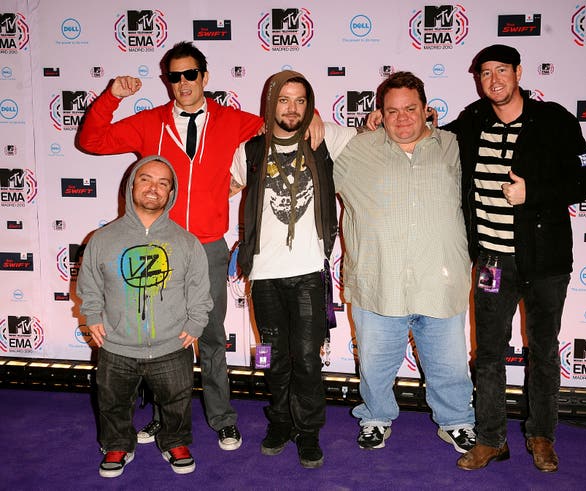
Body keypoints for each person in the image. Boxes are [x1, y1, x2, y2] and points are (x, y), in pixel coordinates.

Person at [78, 41, 321, 450]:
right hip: (156, 247)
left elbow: (282, 118)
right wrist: (110, 98)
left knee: (209, 337)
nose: (183, 82)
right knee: (156, 339)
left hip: (207, 248)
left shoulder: (234, 121)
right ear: (167, 81)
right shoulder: (149, 122)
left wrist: (312, 114)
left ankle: (222, 417)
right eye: (174, 76)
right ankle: (161, 417)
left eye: (190, 74)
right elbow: (92, 140)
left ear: (204, 78)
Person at [444, 45, 586, 472]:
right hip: (492, 261)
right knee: (489, 353)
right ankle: (491, 439)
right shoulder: (473, 121)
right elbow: (431, 135)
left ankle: (542, 436)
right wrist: (383, 118)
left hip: (546, 262)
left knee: (544, 350)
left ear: (518, 73)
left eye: (502, 71)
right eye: (485, 73)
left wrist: (534, 195)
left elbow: (585, 180)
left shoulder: (555, 120)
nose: (493, 80)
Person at [334, 71, 476, 454]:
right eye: (392, 110)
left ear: (426, 110)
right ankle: (375, 418)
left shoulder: (455, 146)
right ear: (380, 112)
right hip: (379, 280)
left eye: (410, 109)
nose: (402, 118)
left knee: (449, 365)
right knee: (376, 366)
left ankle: (457, 421)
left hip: (440, 277)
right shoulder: (355, 149)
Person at [229, 70, 357, 468]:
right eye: (284, 100)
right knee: (274, 357)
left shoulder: (327, 139)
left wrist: (328, 119)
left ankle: (309, 430)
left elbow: (378, 135)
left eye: (301, 101)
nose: (292, 109)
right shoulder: (248, 151)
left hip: (307, 272)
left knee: (306, 358)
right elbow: (226, 188)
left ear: (310, 105)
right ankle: (280, 422)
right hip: (264, 275)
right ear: (271, 104)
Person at [77, 156, 213, 477]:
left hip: (171, 344)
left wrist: (196, 323)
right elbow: (90, 284)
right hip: (116, 344)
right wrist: (92, 314)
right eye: (147, 180)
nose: (154, 188)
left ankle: (175, 440)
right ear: (131, 186)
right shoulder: (103, 239)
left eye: (163, 183)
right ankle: (117, 444)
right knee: (112, 402)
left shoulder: (186, 242)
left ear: (171, 193)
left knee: (177, 401)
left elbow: (199, 289)